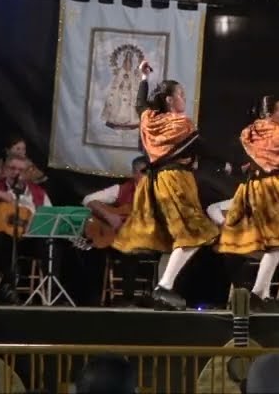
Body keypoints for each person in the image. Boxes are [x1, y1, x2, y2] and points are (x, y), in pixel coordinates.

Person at [112, 79, 221, 311]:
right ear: (169, 99)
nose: (184, 98)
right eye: (180, 94)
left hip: (155, 184)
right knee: (195, 233)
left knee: (179, 238)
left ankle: (164, 289)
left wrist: (142, 79)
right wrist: (225, 163)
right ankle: (163, 286)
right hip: (175, 181)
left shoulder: (150, 120)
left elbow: (140, 105)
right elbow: (201, 146)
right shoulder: (180, 124)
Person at [218, 96, 279, 310]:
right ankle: (258, 293)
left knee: (268, 244)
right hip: (276, 189)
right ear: (269, 114)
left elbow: (244, 164)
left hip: (252, 189)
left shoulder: (248, 132)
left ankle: (261, 294)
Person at [0, 150, 53, 302]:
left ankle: (51, 292)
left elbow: (50, 218)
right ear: (5, 170)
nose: (16, 173)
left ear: (28, 173)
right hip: (2, 241)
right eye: (12, 168)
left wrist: (35, 223)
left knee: (51, 245)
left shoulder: (39, 194)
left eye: (21, 170)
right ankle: (10, 278)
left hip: (27, 241)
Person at [82, 156, 157, 306]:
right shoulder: (121, 189)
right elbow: (88, 199)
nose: (147, 176)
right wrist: (109, 216)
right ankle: (97, 301)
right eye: (143, 172)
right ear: (134, 174)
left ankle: (153, 297)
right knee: (90, 248)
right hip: (117, 240)